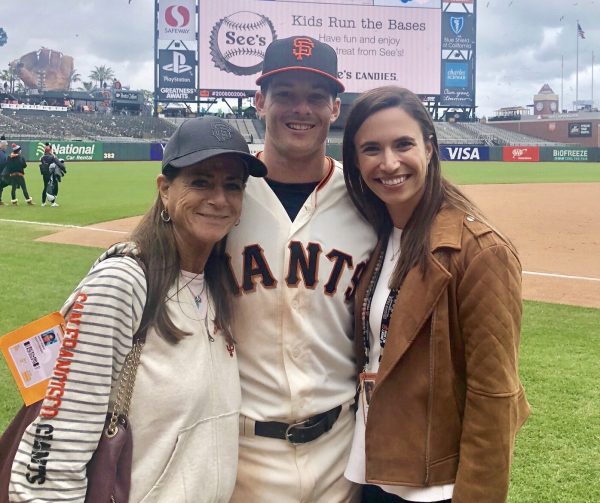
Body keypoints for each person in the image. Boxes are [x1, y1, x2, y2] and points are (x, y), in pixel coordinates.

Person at [9, 116, 267, 502]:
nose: (219, 199)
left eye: (233, 186)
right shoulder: (123, 283)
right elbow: (54, 450)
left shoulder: (216, 283)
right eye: (201, 182)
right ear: (165, 190)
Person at [342, 86, 531, 503]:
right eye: (371, 149)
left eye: (403, 144)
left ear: (429, 148)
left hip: (435, 488)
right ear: (355, 161)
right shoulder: (378, 234)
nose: (389, 163)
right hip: (376, 469)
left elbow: (494, 397)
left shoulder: (480, 250)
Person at [226, 36, 377, 502]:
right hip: (241, 454)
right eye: (285, 93)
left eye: (315, 96)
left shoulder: (369, 202)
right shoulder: (222, 196)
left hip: (342, 451)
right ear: (259, 101)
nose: (300, 108)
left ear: (335, 107)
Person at [0, 140, 9, 205]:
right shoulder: (1, 153)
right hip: (1, 172)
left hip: (3, 172)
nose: (6, 147)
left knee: (1, 186)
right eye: (6, 145)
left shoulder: (3, 153)